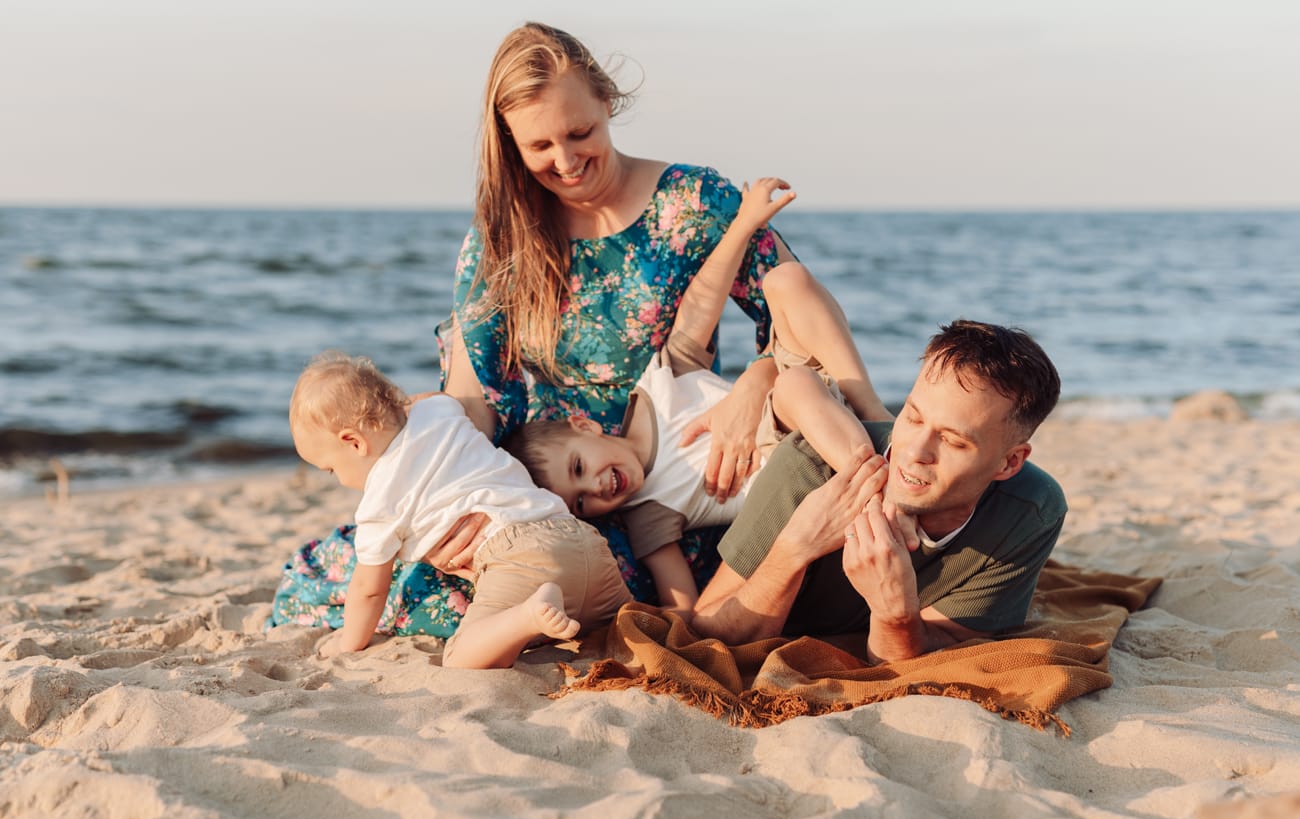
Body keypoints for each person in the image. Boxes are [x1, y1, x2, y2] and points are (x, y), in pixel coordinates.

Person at [436, 22, 807, 603]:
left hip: (673, 484)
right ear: (509, 143)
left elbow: (794, 303)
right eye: (538, 147)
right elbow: (472, 397)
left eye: (579, 131)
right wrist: (473, 502)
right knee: (449, 587)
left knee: (594, 585)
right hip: (551, 481)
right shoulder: (502, 237)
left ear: (606, 101)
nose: (565, 161)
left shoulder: (691, 203)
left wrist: (759, 381)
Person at [503, 177, 893, 617]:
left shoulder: (659, 385)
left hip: (801, 403)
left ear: (585, 425)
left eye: (578, 466)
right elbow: (681, 602)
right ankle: (879, 485)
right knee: (795, 385)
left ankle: (872, 410)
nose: (594, 487)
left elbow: (701, 304)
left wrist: (744, 222)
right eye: (580, 503)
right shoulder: (647, 513)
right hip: (792, 466)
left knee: (787, 280)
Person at [690, 320, 1067, 665]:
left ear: (1009, 463)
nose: (915, 452)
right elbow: (710, 631)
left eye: (952, 441)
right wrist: (795, 550)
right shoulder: (811, 471)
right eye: (913, 416)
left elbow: (939, 646)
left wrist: (895, 615)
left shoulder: (1030, 510)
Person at [288, 352, 632, 668]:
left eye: (331, 469)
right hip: (579, 534)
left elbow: (369, 589)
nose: (339, 479)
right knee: (626, 623)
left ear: (354, 442)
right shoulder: (438, 413)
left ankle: (527, 616)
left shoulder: (380, 501)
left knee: (460, 659)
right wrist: (392, 407)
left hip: (518, 557)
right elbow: (436, 398)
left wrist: (349, 642)